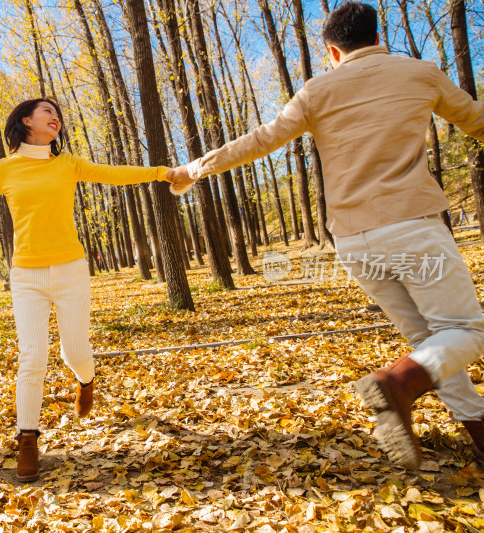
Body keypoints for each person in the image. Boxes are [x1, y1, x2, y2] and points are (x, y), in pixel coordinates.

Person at [168, 2, 484, 469]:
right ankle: (396, 382)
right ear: (379, 35)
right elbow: (477, 122)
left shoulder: (317, 89)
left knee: (429, 341)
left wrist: (195, 168)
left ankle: (478, 434)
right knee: (467, 333)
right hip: (412, 227)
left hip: (354, 242)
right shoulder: (421, 73)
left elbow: (261, 139)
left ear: (333, 51)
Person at [0, 98, 171, 482]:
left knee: (75, 352)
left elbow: (116, 174)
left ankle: (85, 380)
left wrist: (163, 173)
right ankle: (27, 440)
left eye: (56, 112)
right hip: (26, 276)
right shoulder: (5, 169)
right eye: (46, 110)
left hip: (71, 271)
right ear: (26, 120)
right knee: (32, 357)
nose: (55, 115)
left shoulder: (68, 164)